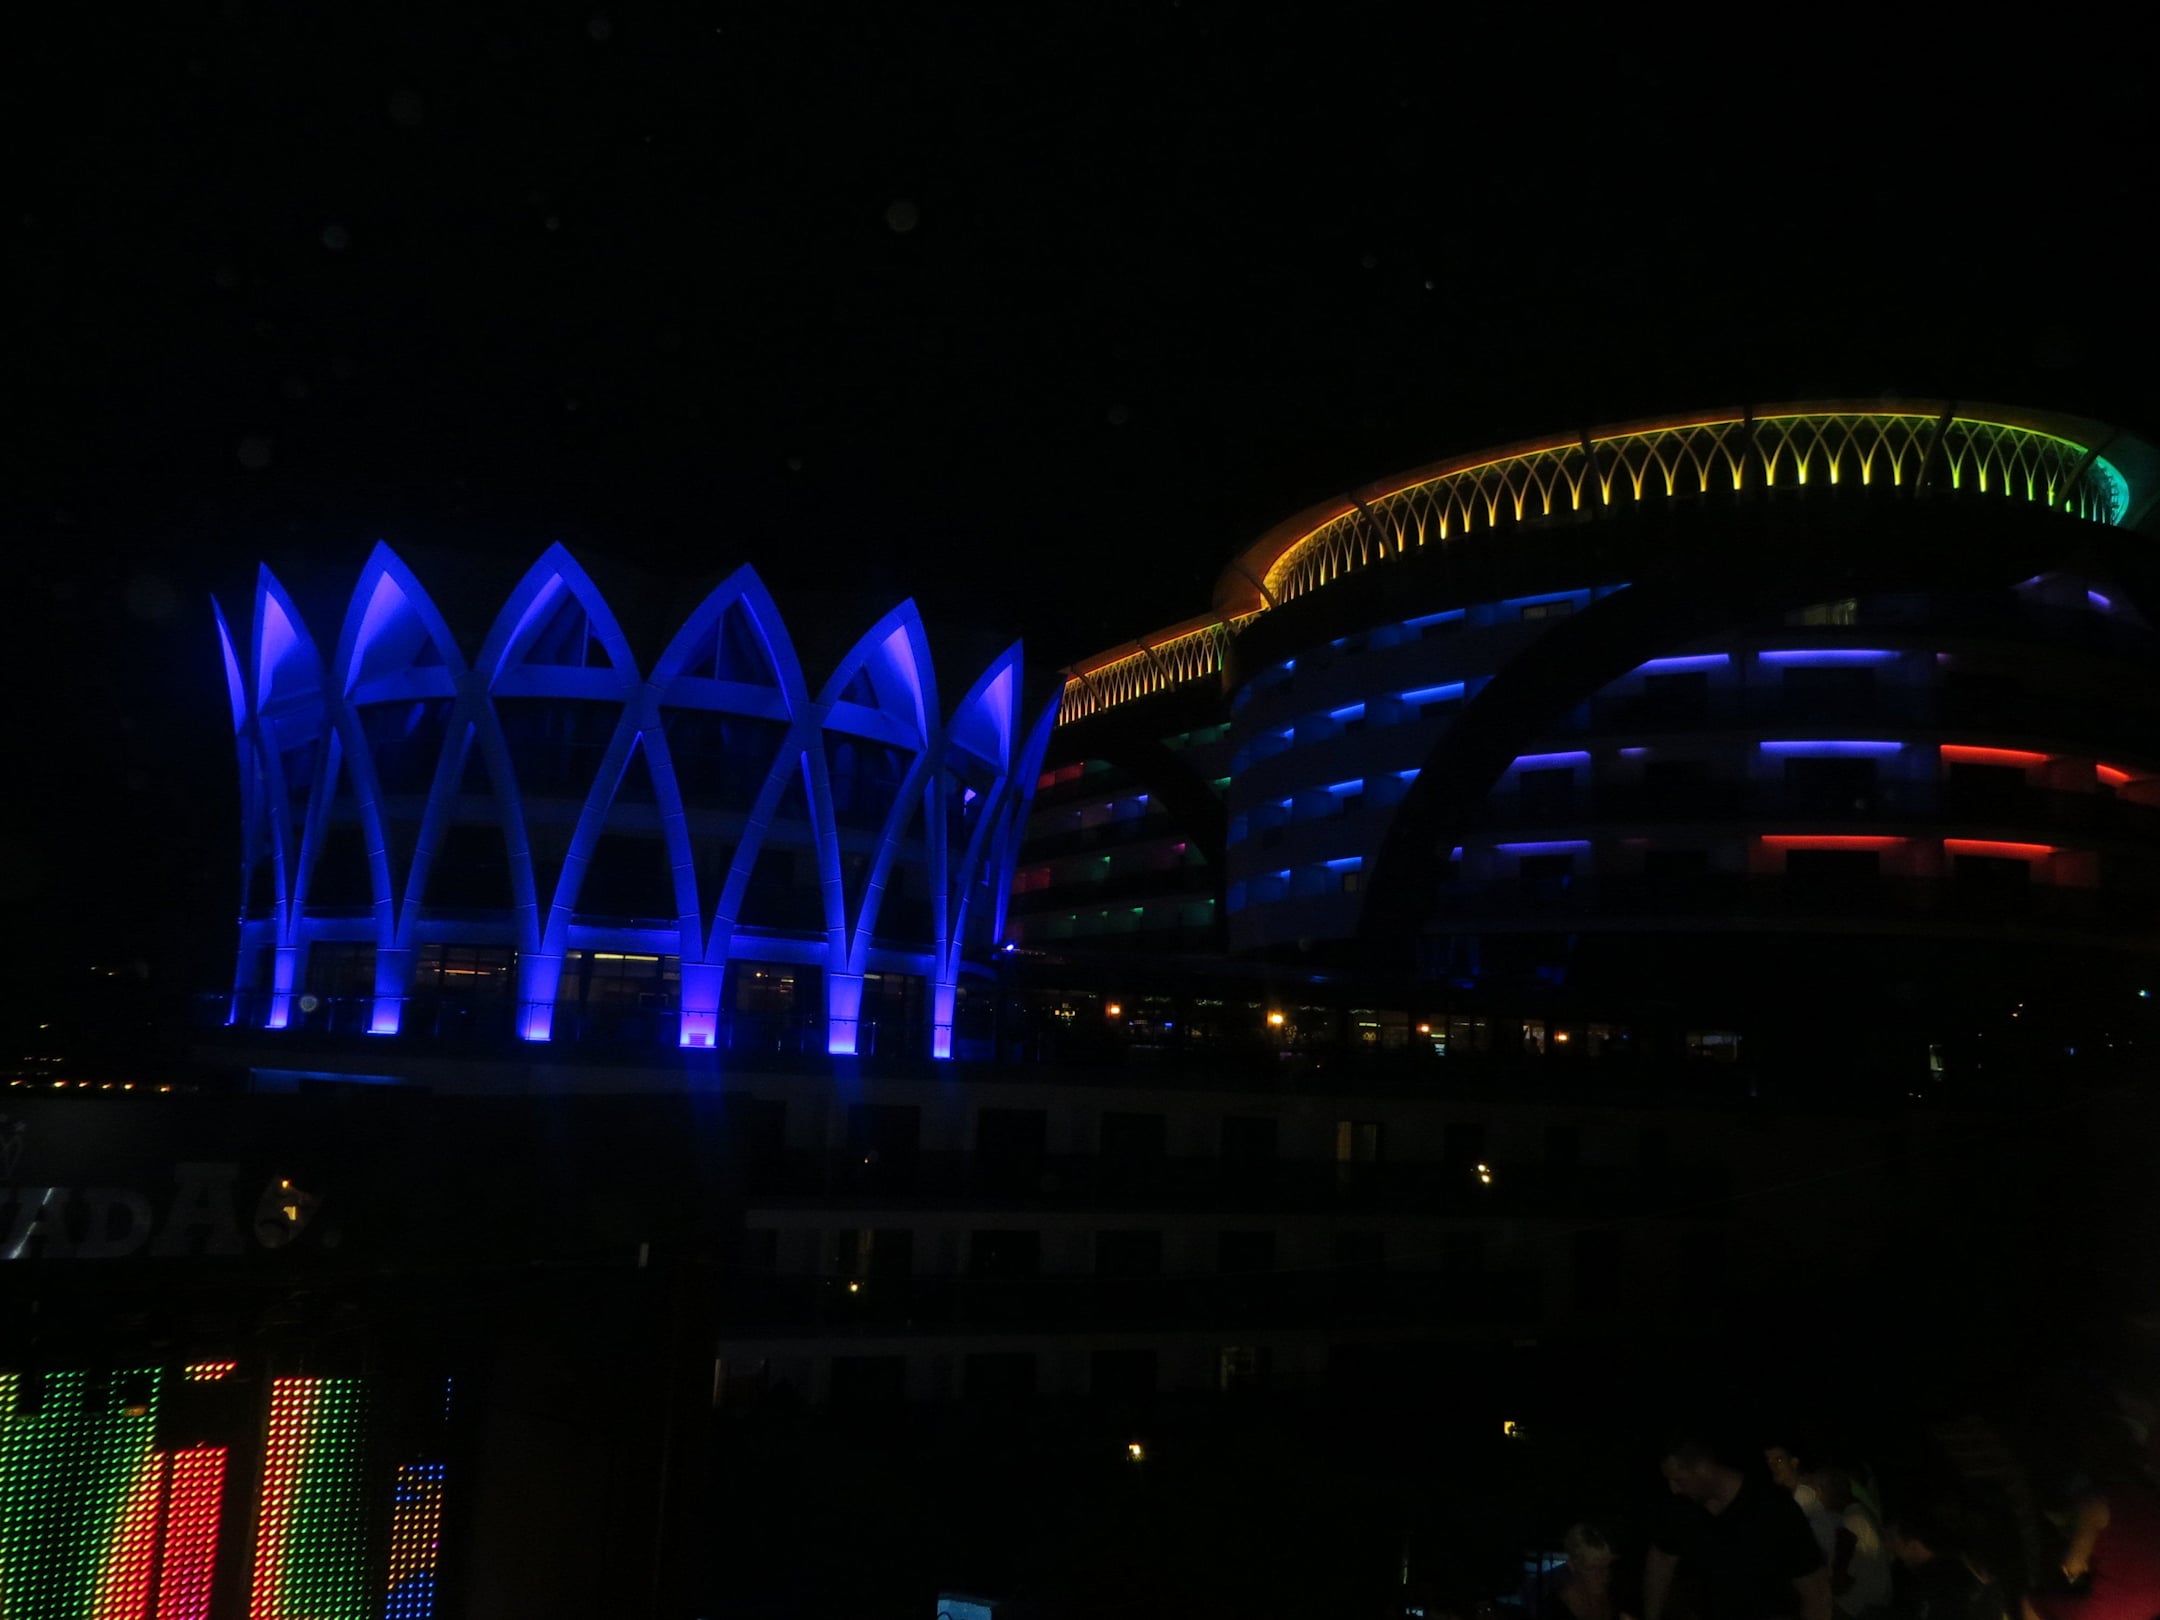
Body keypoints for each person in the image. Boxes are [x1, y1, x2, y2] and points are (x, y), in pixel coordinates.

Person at [1647, 1433, 1831, 1620]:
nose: (1674, 1489)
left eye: (1679, 1480)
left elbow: (1816, 1593)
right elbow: (1662, 1558)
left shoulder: (1774, 1510)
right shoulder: (1681, 1509)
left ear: (1703, 1469)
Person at [1885, 1507, 2008, 1620]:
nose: (1887, 1545)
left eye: (1891, 1539)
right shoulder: (1924, 1573)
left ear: (1914, 1546)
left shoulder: (1950, 1588)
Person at [1812, 1467, 1892, 1620]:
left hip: (1860, 1606)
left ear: (1828, 1491)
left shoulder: (1852, 1522)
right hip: (1874, 1598)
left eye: (1816, 1491)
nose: (1815, 1498)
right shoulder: (1860, 1511)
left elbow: (1840, 1582)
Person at [1521, 1523, 1631, 1620]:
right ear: (1573, 1565)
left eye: (1606, 1566)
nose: (1603, 1575)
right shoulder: (1556, 1610)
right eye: (1591, 1568)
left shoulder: (1616, 1594)